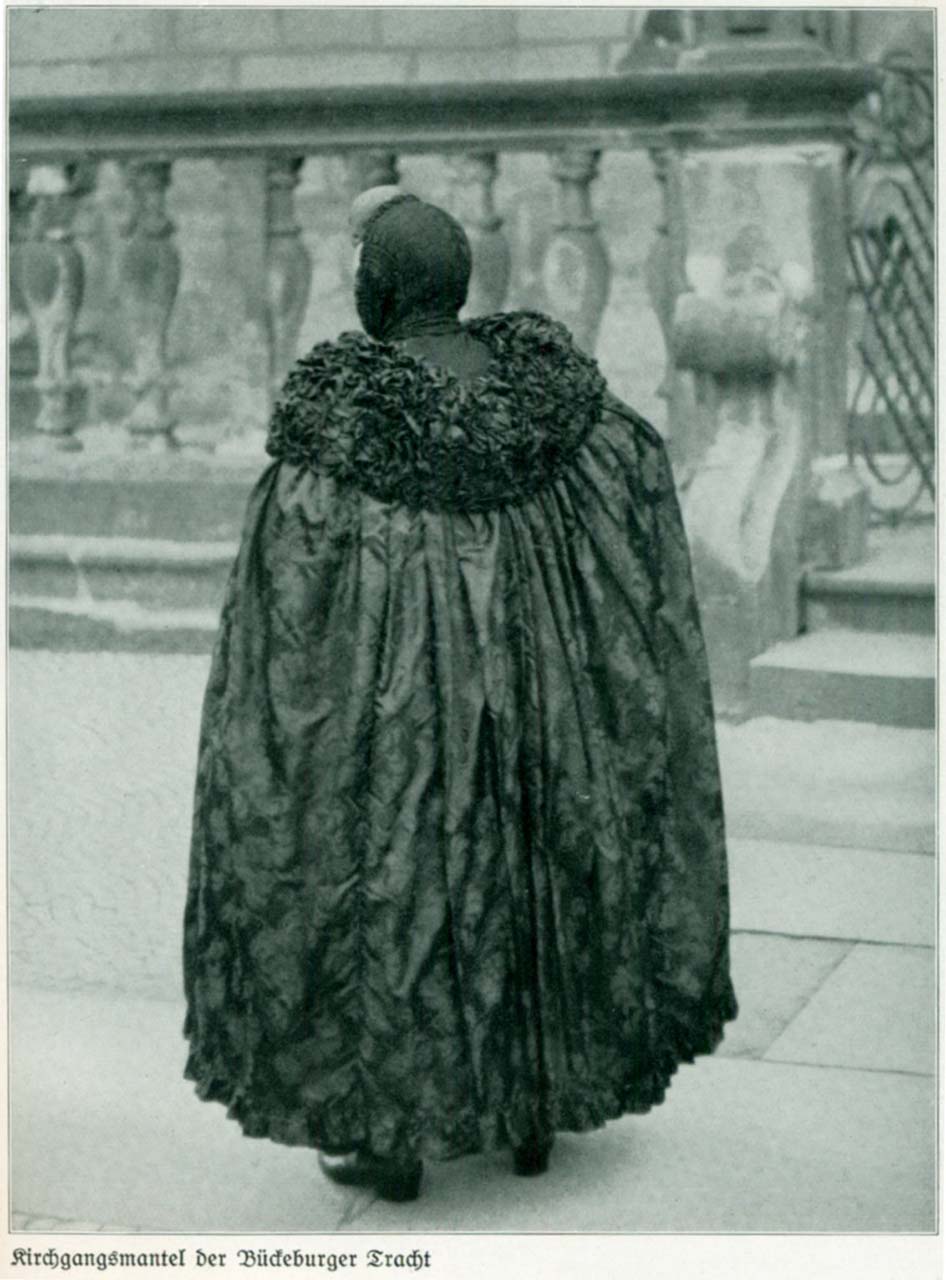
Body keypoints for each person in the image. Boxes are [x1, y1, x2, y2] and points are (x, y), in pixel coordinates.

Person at [183, 190, 737, 1204]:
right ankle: (530, 1115)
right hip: (543, 716)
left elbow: (286, 646)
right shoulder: (577, 426)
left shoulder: (335, 449)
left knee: (396, 882)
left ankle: (388, 1138)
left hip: (399, 727)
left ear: (380, 288)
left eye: (358, 262)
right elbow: (639, 565)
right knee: (531, 860)